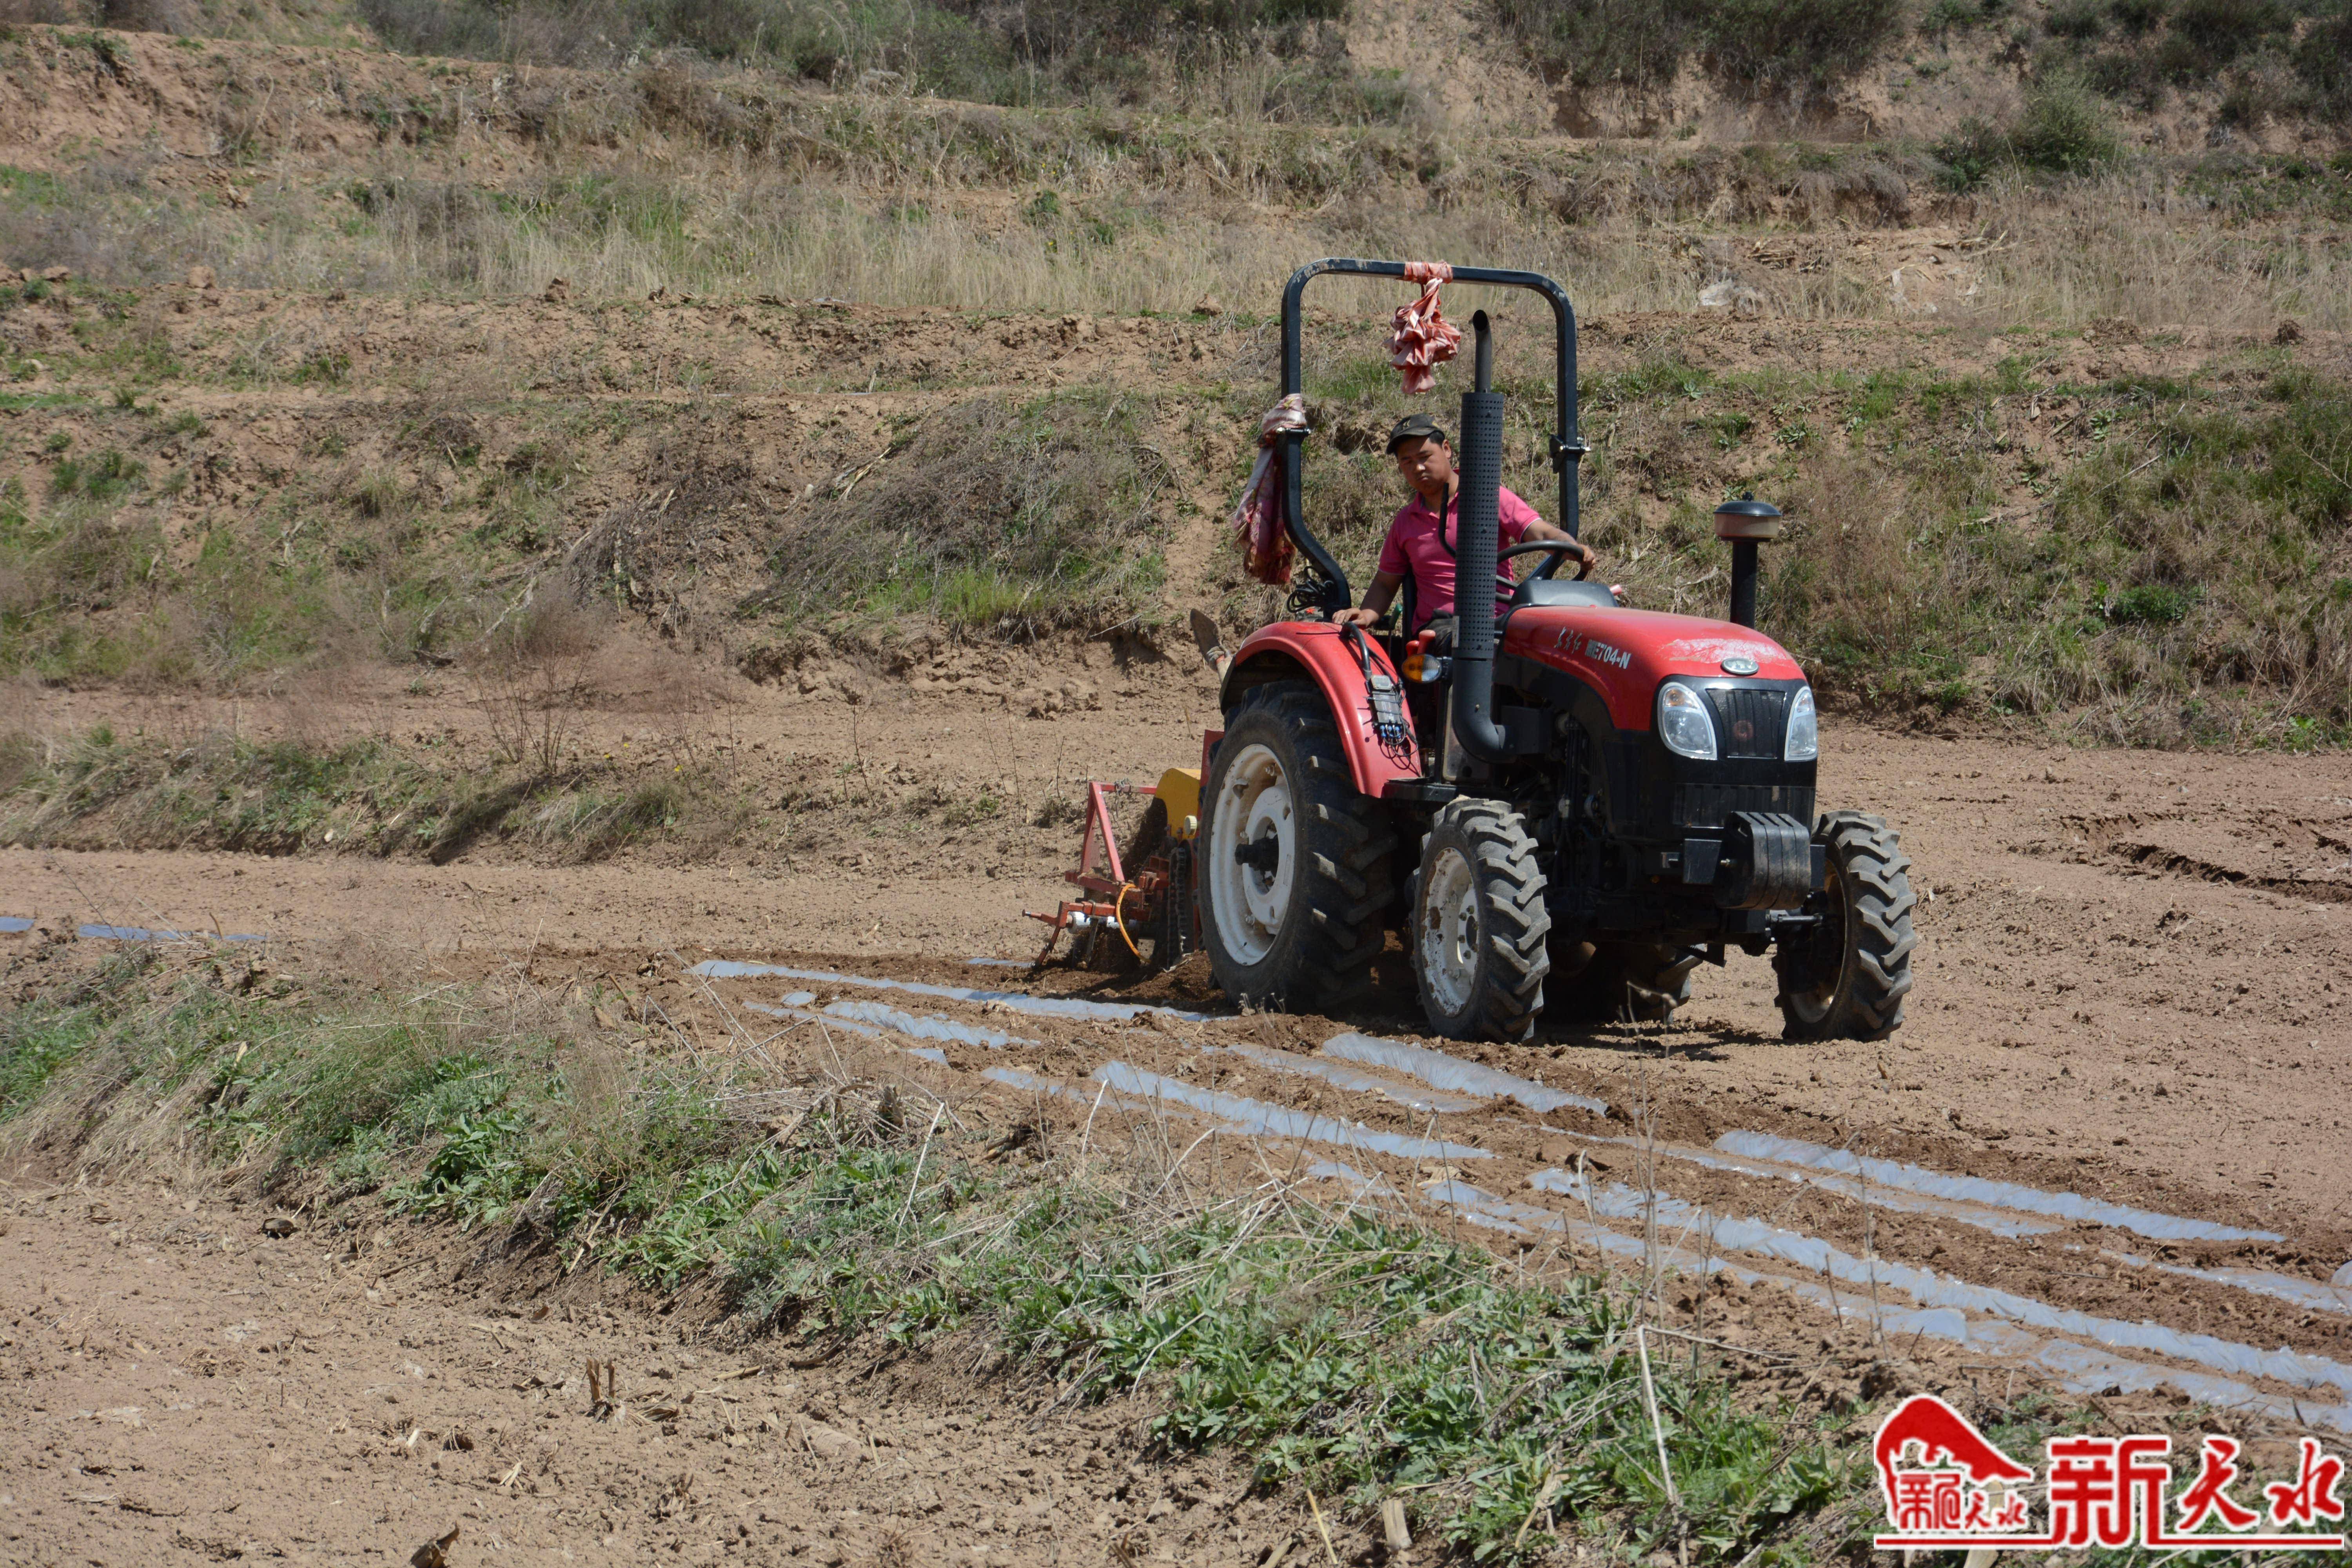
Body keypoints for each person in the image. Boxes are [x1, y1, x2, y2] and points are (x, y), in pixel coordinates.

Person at [1332, 414, 1592, 641]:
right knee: (1464, 641)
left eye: (1424, 457)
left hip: (1499, 623)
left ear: (1446, 449)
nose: (1418, 468)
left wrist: (1571, 547)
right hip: (1440, 628)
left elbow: (1541, 533)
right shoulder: (1406, 522)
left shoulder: (1487, 497)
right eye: (1407, 462)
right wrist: (1366, 614)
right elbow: (1386, 583)